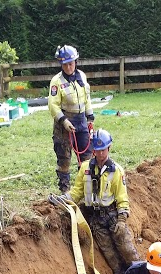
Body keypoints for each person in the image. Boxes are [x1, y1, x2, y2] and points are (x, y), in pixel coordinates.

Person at [64, 129, 139, 274]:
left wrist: (122, 219)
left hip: (112, 215)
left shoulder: (116, 171)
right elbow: (77, 192)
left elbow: (122, 197)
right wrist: (63, 199)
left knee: (127, 249)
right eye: (97, 150)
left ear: (109, 148)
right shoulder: (85, 168)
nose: (100, 154)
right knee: (109, 254)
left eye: (103, 150)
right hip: (96, 219)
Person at [49, 45, 94, 192]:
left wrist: (90, 116)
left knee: (86, 157)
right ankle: (65, 190)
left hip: (81, 121)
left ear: (76, 61)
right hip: (64, 122)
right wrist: (63, 121)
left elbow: (87, 98)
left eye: (71, 63)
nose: (68, 67)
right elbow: (53, 105)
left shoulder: (82, 76)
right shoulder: (56, 81)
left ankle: (86, 187)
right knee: (64, 157)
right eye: (65, 64)